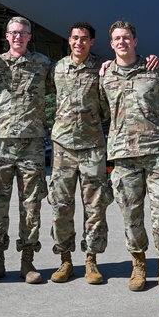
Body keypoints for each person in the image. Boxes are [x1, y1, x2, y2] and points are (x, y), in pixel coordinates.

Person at [99, 20, 159, 297]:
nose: (122, 42)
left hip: (157, 153)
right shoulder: (105, 76)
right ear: (111, 44)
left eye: (126, 37)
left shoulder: (153, 70)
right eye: (117, 39)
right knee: (131, 216)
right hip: (123, 156)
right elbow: (101, 110)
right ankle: (138, 265)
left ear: (135, 41)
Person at [0, 16, 52, 284]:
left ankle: (28, 262)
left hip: (32, 146)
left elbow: (69, 81)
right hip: (0, 146)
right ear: (6, 37)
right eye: (13, 33)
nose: (18, 37)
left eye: (23, 33)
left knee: (31, 206)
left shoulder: (43, 65)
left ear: (30, 36)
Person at [45, 22, 111, 284]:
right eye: (75, 38)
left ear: (92, 42)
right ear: (69, 40)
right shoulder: (57, 68)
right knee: (61, 206)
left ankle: (92, 260)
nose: (79, 43)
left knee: (95, 207)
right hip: (62, 147)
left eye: (84, 39)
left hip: (92, 146)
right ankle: (65, 260)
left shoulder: (102, 68)